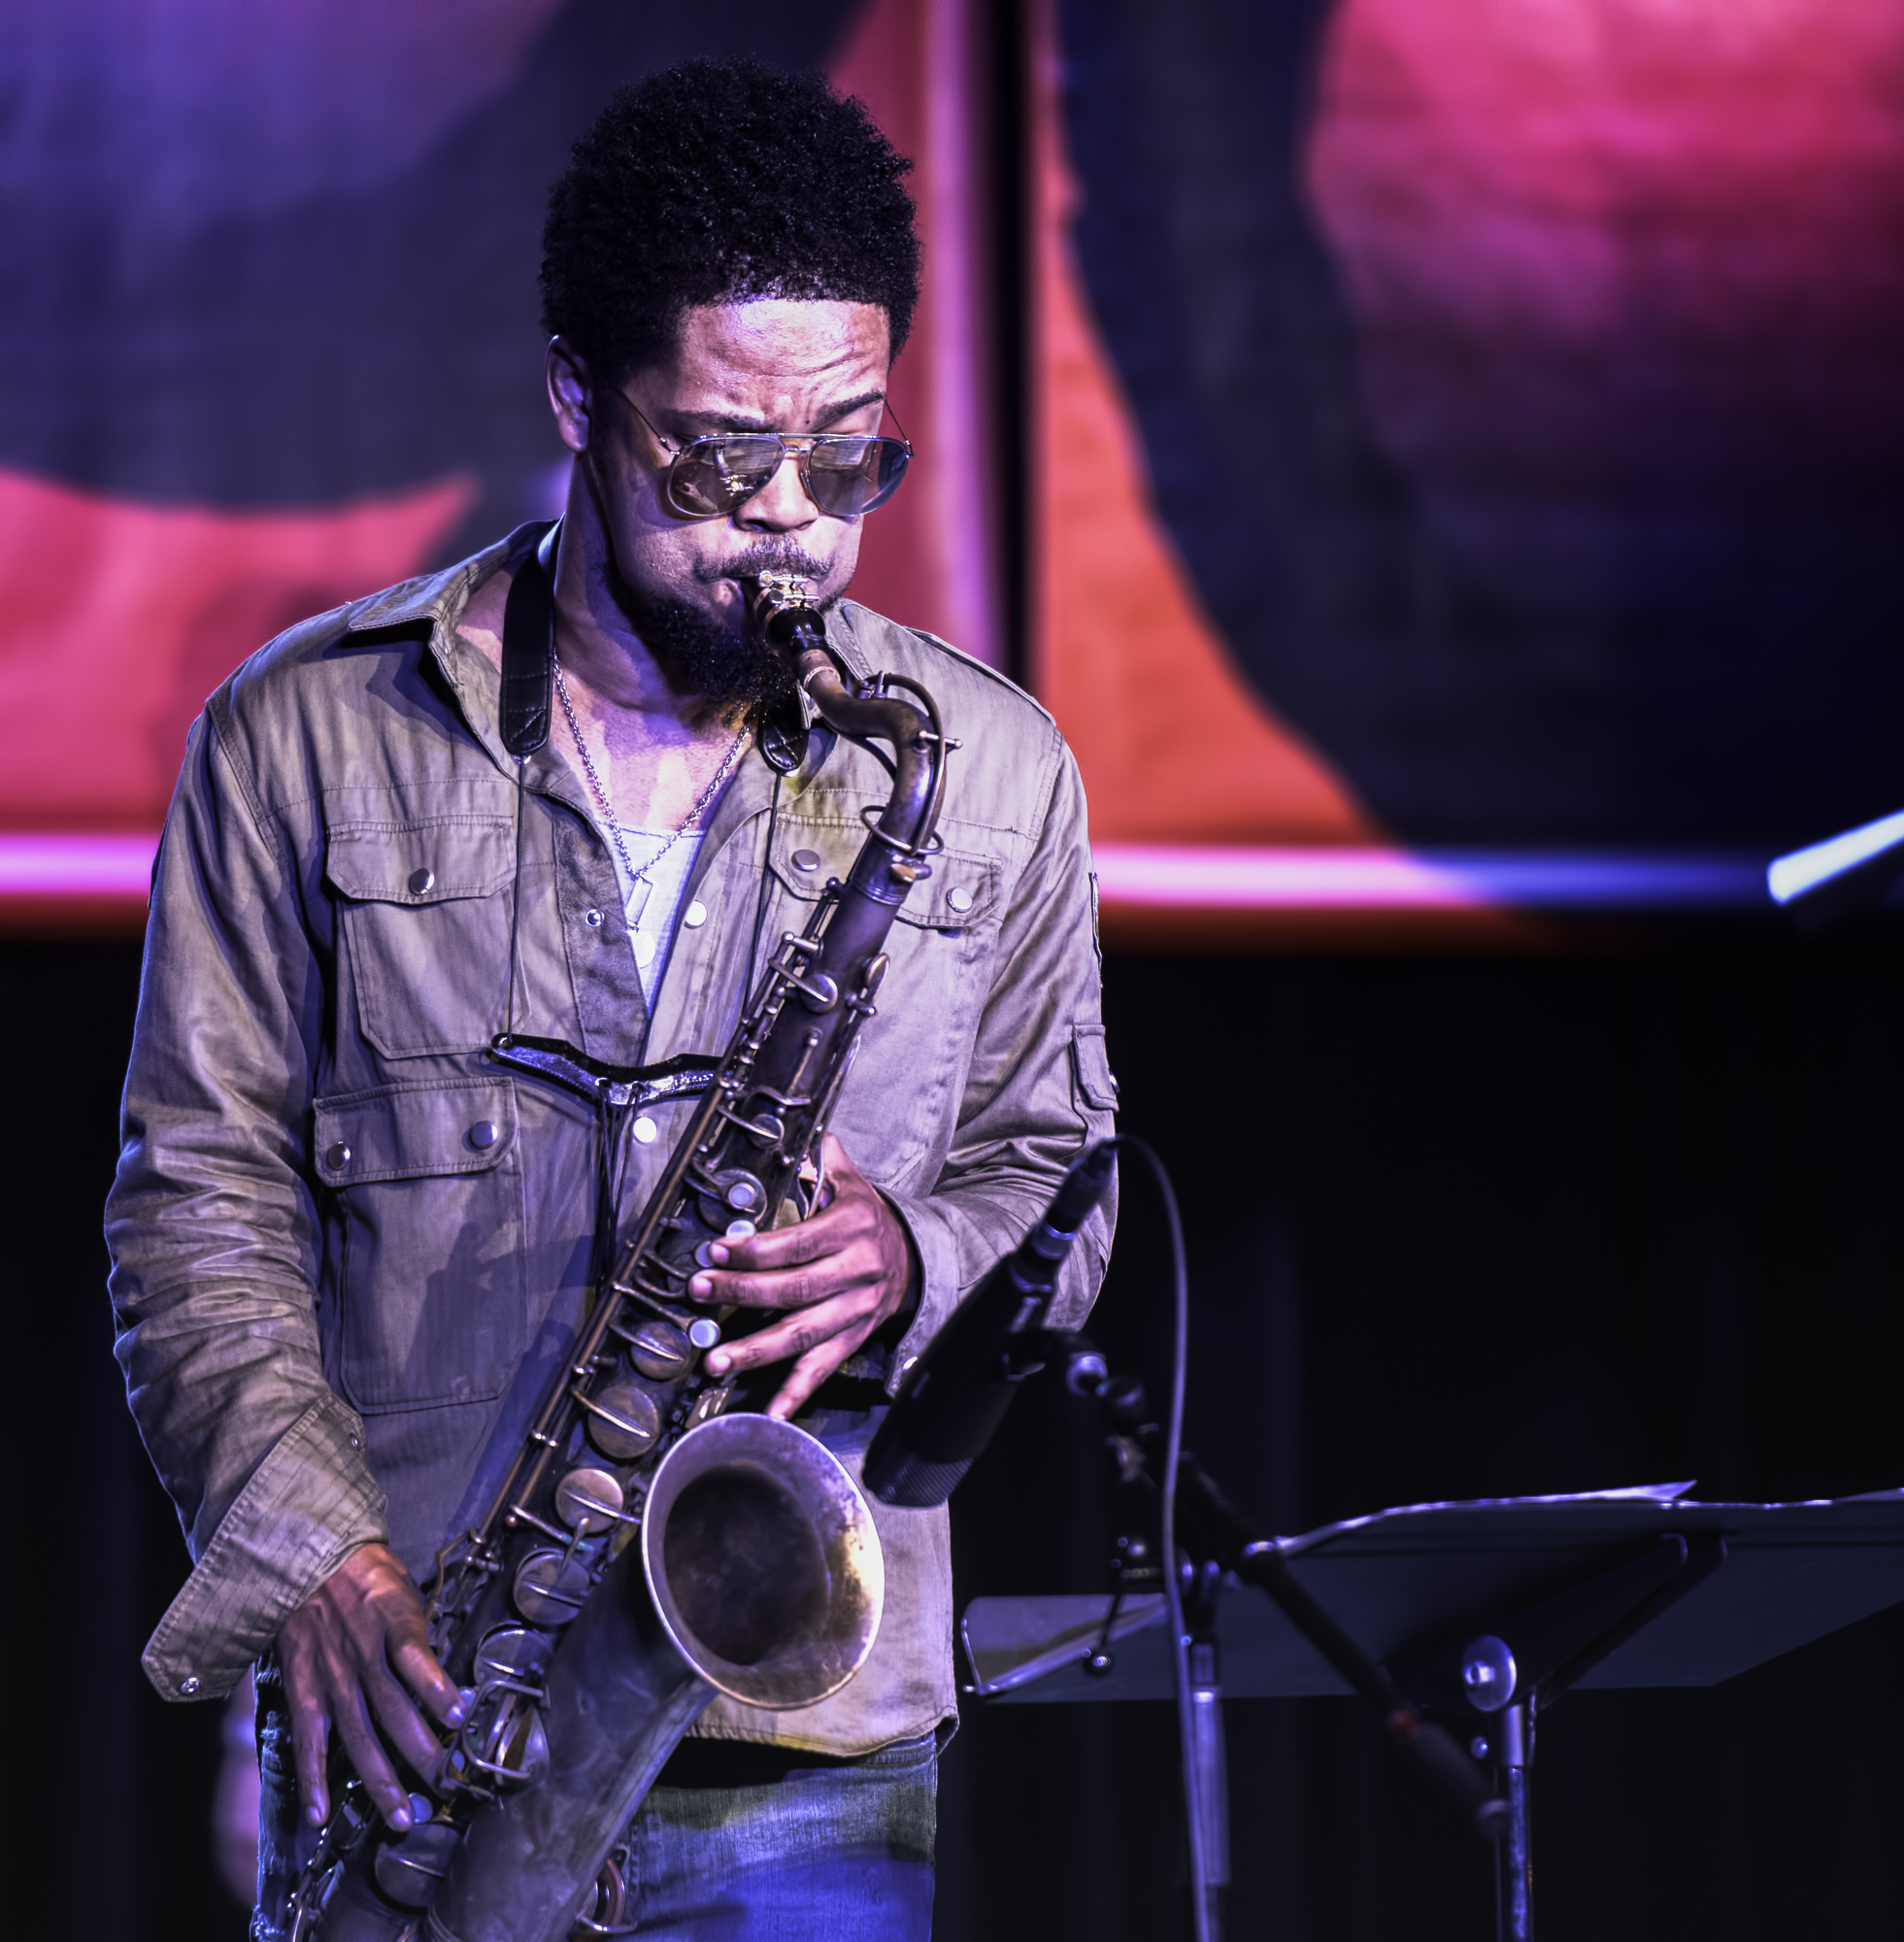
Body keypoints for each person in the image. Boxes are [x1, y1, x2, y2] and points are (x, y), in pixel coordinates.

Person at [106, 58, 1117, 1940]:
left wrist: (916, 1249)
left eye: (850, 457)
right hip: (415, 1747)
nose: (797, 526)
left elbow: (1067, 1177)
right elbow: (194, 1206)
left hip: (802, 1750)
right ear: (576, 396)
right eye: (724, 461)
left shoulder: (986, 770)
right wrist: (309, 1546)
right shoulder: (301, 742)